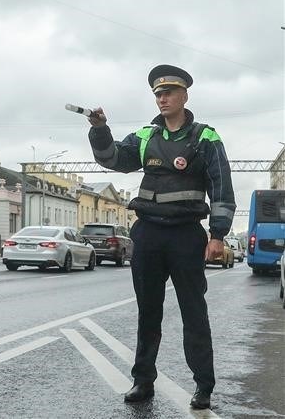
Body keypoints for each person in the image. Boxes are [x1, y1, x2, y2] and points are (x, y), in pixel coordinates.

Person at [86, 64, 236, 410]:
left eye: (169, 92)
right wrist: (100, 129)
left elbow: (222, 189)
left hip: (186, 236)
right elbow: (112, 160)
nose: (163, 98)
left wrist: (217, 235)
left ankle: (203, 386)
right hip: (149, 233)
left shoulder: (205, 138)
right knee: (148, 311)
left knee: (194, 312)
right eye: (158, 94)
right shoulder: (144, 137)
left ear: (185, 96)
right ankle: (143, 381)